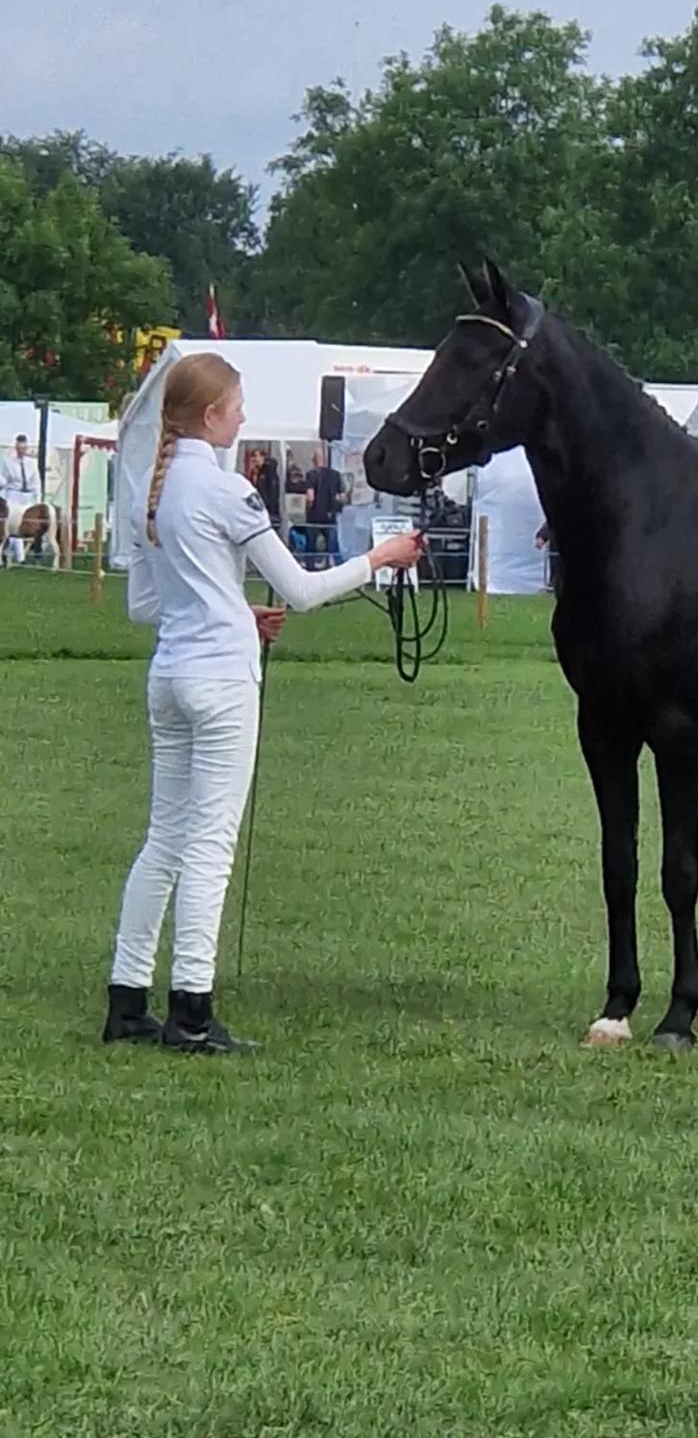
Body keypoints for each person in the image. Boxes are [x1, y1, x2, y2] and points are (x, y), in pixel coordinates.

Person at [103, 352, 424, 1054]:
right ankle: (191, 1009)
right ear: (213, 414)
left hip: (170, 677)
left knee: (164, 840)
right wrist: (382, 557)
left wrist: (232, 609)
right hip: (220, 683)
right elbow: (304, 591)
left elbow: (147, 605)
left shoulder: (147, 493)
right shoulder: (226, 493)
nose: (243, 416)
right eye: (237, 406)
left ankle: (127, 999)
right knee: (209, 848)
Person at [304, 445, 346, 568]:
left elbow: (310, 496)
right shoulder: (336, 475)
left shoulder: (311, 474)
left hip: (314, 516)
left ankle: (310, 568)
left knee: (311, 547)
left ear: (314, 460)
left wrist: (308, 506)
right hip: (330, 516)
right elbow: (342, 497)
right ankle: (330, 567)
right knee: (331, 546)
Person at [2, 433, 40, 564]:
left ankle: (23, 554)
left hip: (27, 495)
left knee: (27, 523)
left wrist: (38, 498)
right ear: (15, 448)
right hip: (14, 494)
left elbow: (36, 482)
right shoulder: (8, 462)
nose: (21, 451)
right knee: (14, 524)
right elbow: (4, 480)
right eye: (19, 448)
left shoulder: (32, 463)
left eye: (24, 448)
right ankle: (18, 556)